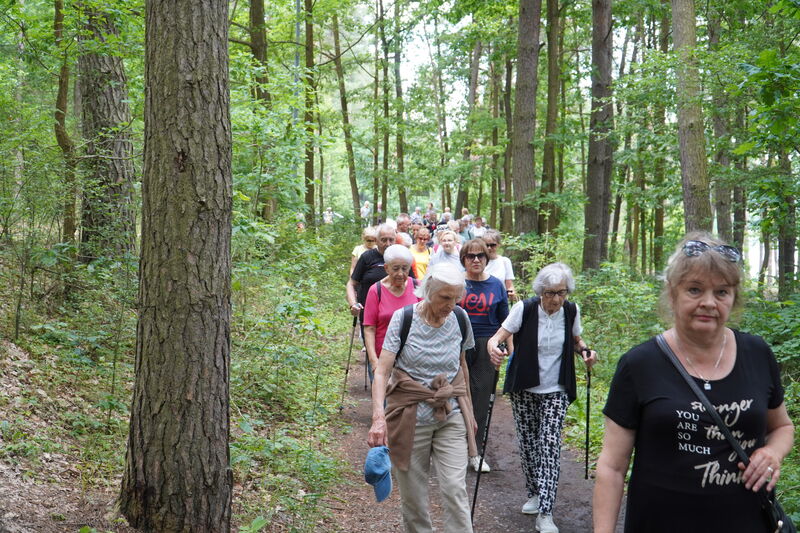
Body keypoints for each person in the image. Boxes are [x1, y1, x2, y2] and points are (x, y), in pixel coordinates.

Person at [593, 233, 795, 533]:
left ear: (733, 298)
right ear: (673, 293)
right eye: (695, 289)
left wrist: (772, 453)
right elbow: (611, 467)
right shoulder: (639, 364)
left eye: (722, 292)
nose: (709, 303)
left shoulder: (757, 353)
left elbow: (782, 427)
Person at [367, 262, 477, 533]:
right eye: (444, 297)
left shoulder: (460, 319)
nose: (450, 304)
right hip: (409, 416)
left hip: (449, 414)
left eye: (455, 298)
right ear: (428, 291)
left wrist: (470, 413)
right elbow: (381, 372)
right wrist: (378, 419)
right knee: (414, 498)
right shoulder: (403, 319)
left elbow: (462, 368)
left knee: (455, 489)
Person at [487, 262, 597, 533]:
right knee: (528, 445)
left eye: (561, 292)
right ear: (540, 292)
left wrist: (586, 351)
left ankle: (546, 512)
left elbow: (575, 340)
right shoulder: (523, 308)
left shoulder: (571, 310)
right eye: (550, 293)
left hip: (556, 388)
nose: (556, 299)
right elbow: (498, 337)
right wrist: (494, 348)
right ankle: (535, 493)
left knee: (548, 444)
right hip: (525, 387)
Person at [459, 238, 510, 473]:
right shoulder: (456, 282)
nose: (476, 260)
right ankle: (448, 448)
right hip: (457, 344)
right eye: (471, 256)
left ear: (487, 259)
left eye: (481, 255)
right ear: (464, 259)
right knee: (454, 395)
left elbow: (506, 321)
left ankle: (475, 452)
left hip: (486, 344)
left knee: (480, 398)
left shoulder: (496, 285)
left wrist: (509, 349)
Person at [363, 245, 421, 382]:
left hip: (413, 361)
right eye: (395, 269)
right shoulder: (375, 290)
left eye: (405, 268)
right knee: (383, 402)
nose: (401, 273)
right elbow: (369, 329)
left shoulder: (418, 286)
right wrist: (373, 361)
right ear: (386, 268)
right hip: (383, 359)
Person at [483, 229, 516, 300]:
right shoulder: (478, 261)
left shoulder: (505, 261)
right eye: (486, 245)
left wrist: (512, 293)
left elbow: (509, 285)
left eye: (492, 245)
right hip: (482, 301)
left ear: (498, 245)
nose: (489, 248)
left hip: (500, 301)